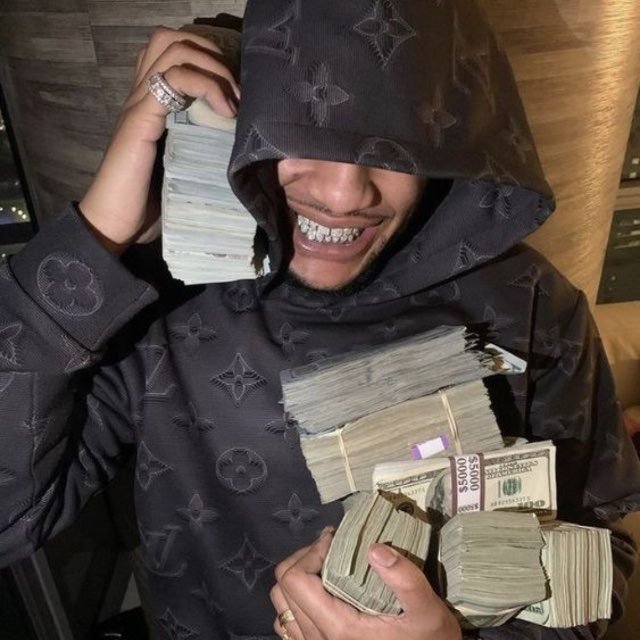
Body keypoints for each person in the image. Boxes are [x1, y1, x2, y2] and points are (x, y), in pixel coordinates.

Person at [1, 1, 639, 639]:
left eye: (395, 145)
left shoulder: (531, 302)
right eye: (303, 132)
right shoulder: (161, 297)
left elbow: (599, 556)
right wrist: (96, 237)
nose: (343, 195)